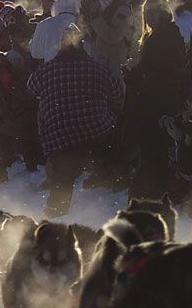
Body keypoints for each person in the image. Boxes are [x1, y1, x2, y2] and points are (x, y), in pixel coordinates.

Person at [28, 25, 124, 217]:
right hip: (95, 131)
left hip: (59, 136)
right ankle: (113, 178)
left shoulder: (47, 70)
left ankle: (56, 211)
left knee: (62, 172)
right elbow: (117, 94)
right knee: (114, 127)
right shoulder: (97, 68)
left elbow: (31, 89)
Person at [124, 0, 191, 200]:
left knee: (152, 157)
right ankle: (152, 199)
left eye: (154, 12)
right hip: (157, 105)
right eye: (147, 13)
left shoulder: (163, 39)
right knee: (153, 157)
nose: (150, 17)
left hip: (155, 107)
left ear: (164, 14)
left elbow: (161, 73)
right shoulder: (165, 36)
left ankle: (147, 201)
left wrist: (135, 74)